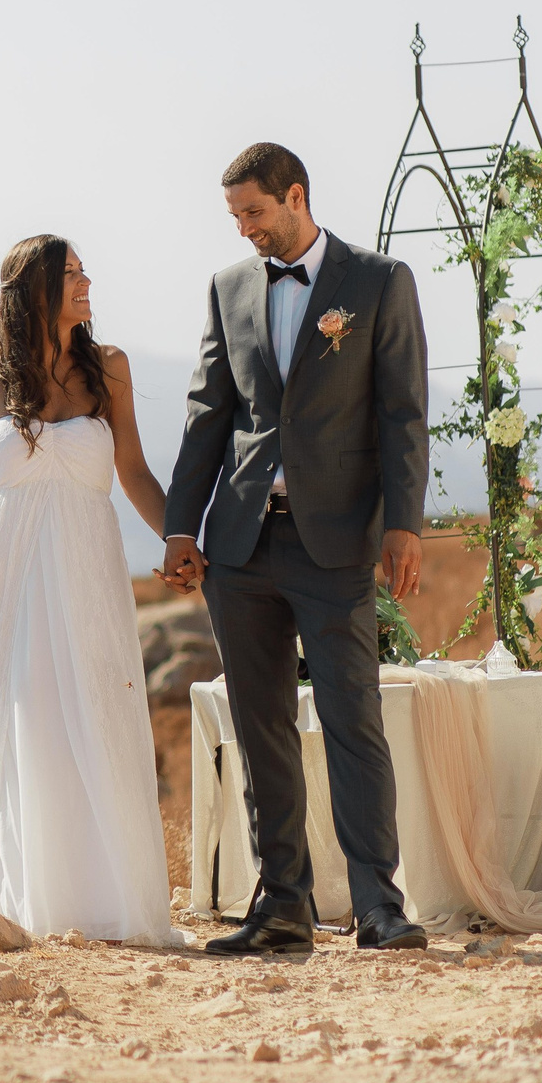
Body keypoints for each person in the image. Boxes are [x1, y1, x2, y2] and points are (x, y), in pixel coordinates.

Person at [160, 142, 430, 955]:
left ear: (296, 196)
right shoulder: (228, 288)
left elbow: (402, 411)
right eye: (234, 215)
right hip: (240, 543)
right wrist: (181, 524)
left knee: (352, 721)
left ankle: (380, 904)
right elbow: (209, 412)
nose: (245, 229)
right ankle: (282, 905)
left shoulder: (378, 281)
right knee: (261, 727)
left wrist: (404, 522)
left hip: (336, 541)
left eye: (254, 211)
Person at [0, 235, 187, 947]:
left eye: (83, 271)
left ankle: (115, 901)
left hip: (88, 569)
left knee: (100, 710)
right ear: (35, 290)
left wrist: (178, 539)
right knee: (28, 724)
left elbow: (134, 469)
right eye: (71, 274)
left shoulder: (109, 367)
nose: (86, 283)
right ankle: (44, 909)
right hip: (8, 574)